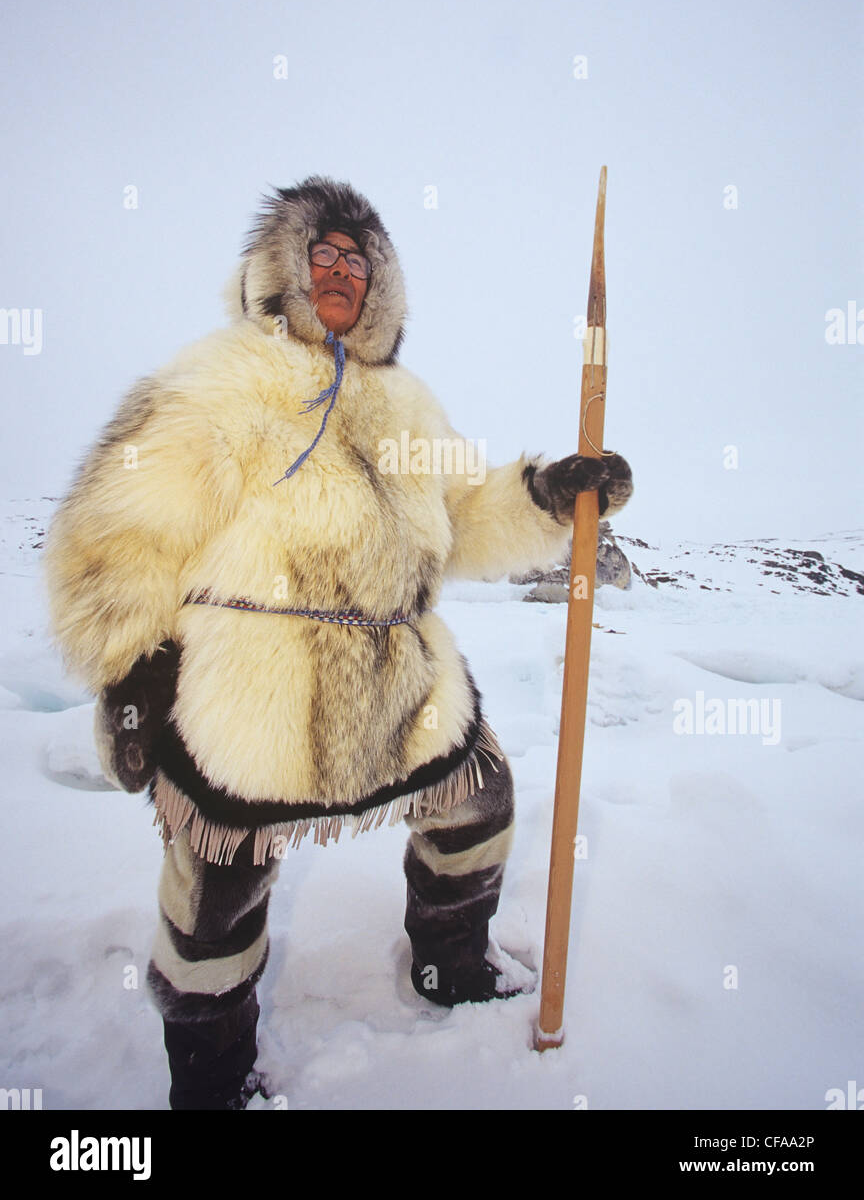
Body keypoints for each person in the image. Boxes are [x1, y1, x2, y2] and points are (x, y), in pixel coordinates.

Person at [44, 176, 633, 1109]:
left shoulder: (408, 405)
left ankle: (450, 961)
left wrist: (547, 494)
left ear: (381, 286)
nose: (342, 271)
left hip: (400, 680)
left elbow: (466, 515)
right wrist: (131, 675)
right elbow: (111, 536)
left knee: (478, 802)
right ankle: (211, 1079)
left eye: (360, 260)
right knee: (219, 894)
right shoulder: (216, 381)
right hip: (255, 697)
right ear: (281, 269)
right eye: (322, 253)